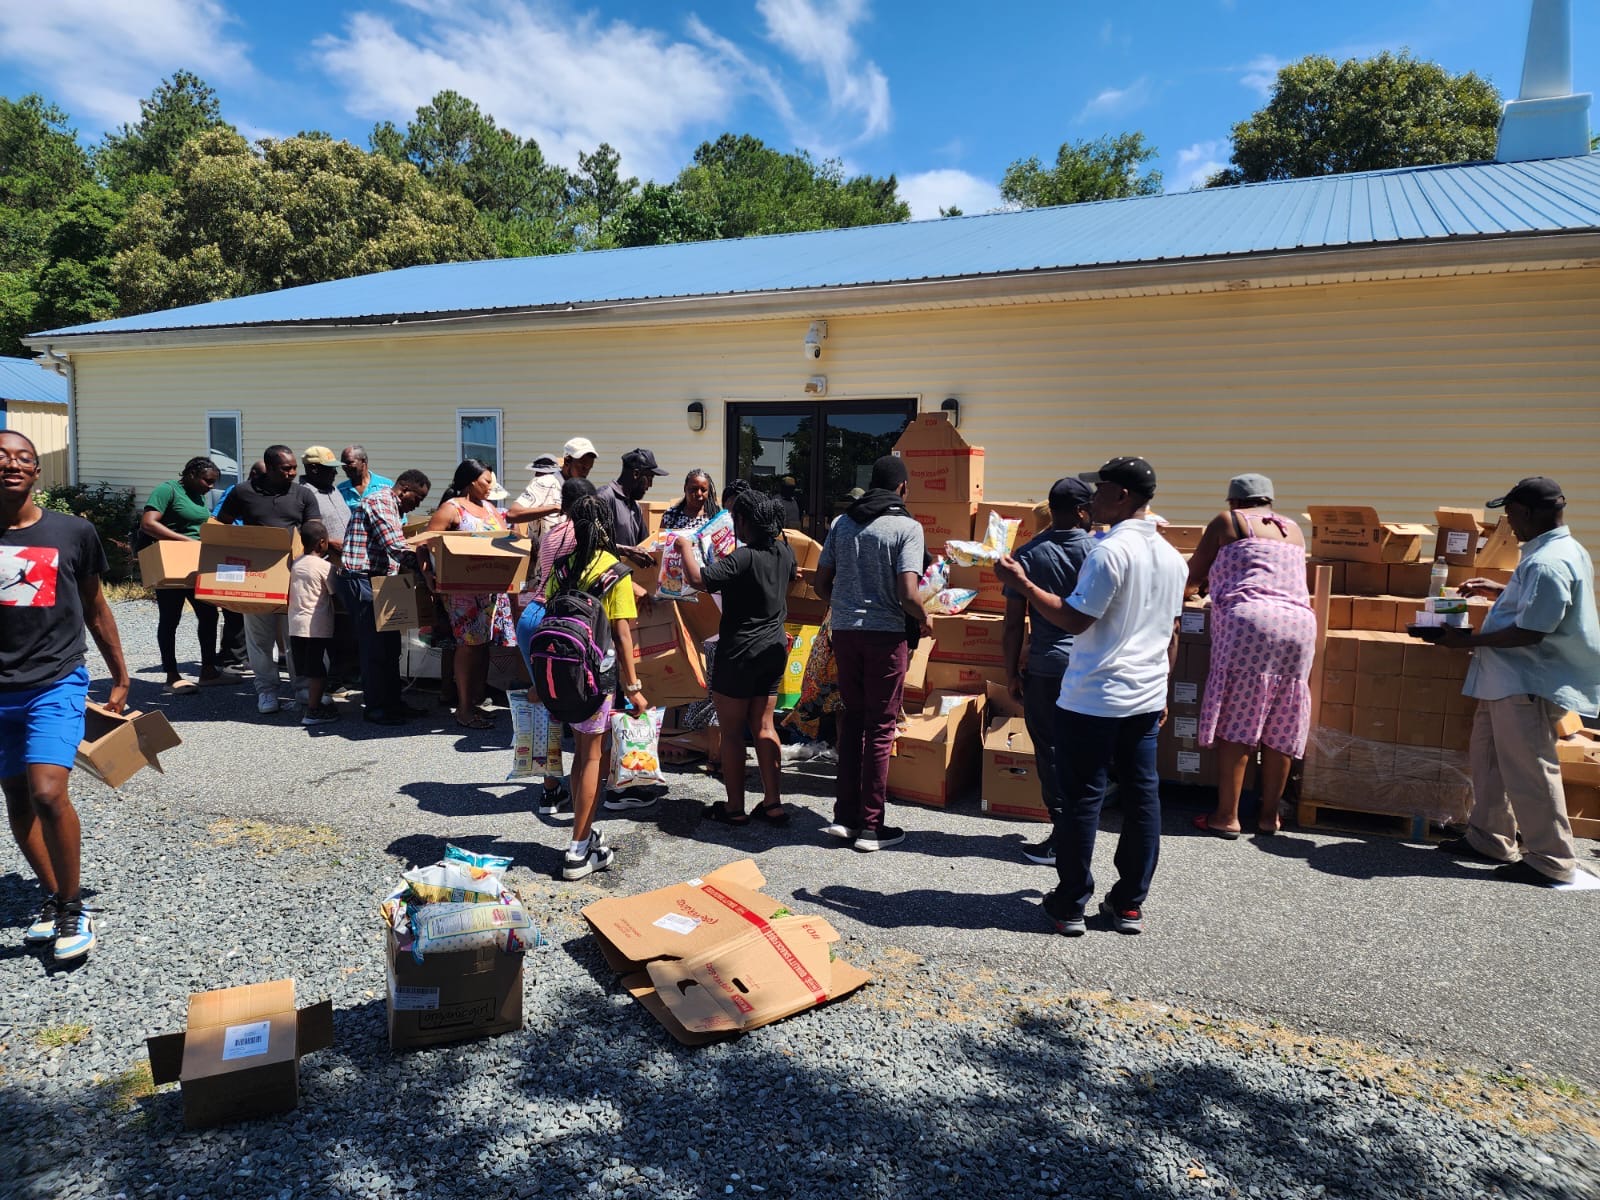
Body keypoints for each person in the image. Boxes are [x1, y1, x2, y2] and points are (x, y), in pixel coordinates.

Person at [995, 457, 1186, 937]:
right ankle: (1127, 905)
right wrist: (1161, 687)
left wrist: (1023, 585)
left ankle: (1070, 902)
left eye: (1100, 489)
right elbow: (1174, 632)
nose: (1093, 498)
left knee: (1083, 798)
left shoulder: (1110, 551)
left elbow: (1076, 620)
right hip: (1144, 697)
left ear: (1121, 495)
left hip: (1094, 696)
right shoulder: (1170, 556)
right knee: (1143, 798)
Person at [0, 430, 130, 962]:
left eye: (23, 458)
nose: (12, 463)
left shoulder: (73, 532)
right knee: (16, 796)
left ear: (36, 473)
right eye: (1, 457)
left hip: (55, 681)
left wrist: (121, 675)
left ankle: (73, 905)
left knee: (49, 792)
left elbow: (96, 605)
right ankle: (54, 900)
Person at [1434, 477, 1600, 887]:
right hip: (1504, 680)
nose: (1508, 523)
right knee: (1489, 760)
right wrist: (1499, 589)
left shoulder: (1548, 561)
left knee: (1530, 770)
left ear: (1528, 512)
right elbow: (1538, 603)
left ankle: (1551, 859)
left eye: (1510, 514)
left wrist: (1466, 641)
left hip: (1525, 680)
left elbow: (1532, 631)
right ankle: (1490, 838)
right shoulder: (1559, 550)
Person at [1184, 474, 1317, 839]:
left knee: (1239, 721)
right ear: (1269, 501)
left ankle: (1226, 817)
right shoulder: (1293, 529)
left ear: (1233, 502)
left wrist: (1184, 596)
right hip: (1300, 627)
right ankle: (1269, 817)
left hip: (1252, 624)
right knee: (1281, 719)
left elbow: (1192, 577)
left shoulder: (1229, 522)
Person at [814, 455, 930, 852]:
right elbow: (908, 592)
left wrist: (845, 607)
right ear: (902, 488)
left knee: (853, 721)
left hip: (845, 633)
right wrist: (926, 618)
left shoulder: (841, 524)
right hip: (885, 636)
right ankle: (871, 827)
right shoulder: (907, 528)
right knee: (881, 728)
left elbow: (820, 584)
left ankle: (844, 819)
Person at [538, 491, 648, 880]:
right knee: (590, 757)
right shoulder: (615, 571)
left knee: (581, 755)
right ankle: (578, 849)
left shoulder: (562, 568)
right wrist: (634, 688)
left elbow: (546, 613)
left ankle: (582, 836)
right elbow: (622, 635)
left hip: (563, 676)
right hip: (595, 678)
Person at [676, 489, 795, 826]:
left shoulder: (745, 558)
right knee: (764, 726)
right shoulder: (784, 551)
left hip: (738, 652)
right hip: (772, 650)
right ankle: (773, 804)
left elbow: (698, 579)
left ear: (743, 521)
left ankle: (734, 808)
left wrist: (685, 546)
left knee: (731, 733)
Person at [1002, 477, 1095, 865]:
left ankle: (1062, 832)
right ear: (1079, 511)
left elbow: (1011, 624)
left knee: (1051, 749)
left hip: (1047, 666)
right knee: (1088, 751)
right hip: (1093, 666)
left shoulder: (1026, 554)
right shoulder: (1100, 551)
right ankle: (1078, 831)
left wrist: (1009, 672)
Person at [517, 477, 601, 817]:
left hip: (532, 617)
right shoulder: (583, 534)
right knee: (582, 704)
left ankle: (550, 789)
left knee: (545, 701)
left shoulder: (552, 532)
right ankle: (589, 780)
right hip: (563, 622)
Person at [218, 445, 319, 715]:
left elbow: (313, 528)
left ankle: (301, 688)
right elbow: (222, 524)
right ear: (270, 467)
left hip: (293, 575)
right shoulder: (244, 492)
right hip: (256, 576)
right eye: (286, 468)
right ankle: (266, 691)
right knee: (260, 639)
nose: (292, 473)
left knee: (296, 635)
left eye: (294, 467)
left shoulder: (303, 494)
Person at [425, 459, 518, 729]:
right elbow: (425, 542)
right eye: (487, 481)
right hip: (462, 591)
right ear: (470, 480)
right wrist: (428, 573)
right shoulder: (451, 508)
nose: (491, 486)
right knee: (467, 646)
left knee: (482, 647)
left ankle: (476, 702)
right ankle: (463, 708)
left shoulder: (489, 509)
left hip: (490, 590)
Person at [337, 469, 432, 726]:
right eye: (418, 498)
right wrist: (429, 568)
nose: (418, 504)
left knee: (390, 648)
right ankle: (376, 708)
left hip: (382, 580)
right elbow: (396, 546)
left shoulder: (393, 507)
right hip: (362, 580)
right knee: (374, 648)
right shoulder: (381, 502)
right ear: (403, 490)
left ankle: (393, 703)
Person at [142, 456, 235, 694]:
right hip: (172, 563)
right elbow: (149, 524)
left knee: (209, 614)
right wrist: (186, 542)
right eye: (207, 481)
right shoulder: (168, 490)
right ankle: (171, 676)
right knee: (170, 619)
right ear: (191, 474)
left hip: (196, 563)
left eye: (213, 482)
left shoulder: (197, 496)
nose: (210, 487)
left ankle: (208, 670)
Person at [212, 460, 265, 674]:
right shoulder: (237, 491)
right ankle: (231, 658)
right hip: (233, 554)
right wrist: (243, 535)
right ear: (253, 474)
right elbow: (219, 518)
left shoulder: (263, 492)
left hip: (253, 555)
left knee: (248, 608)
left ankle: (238, 654)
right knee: (234, 607)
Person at [288, 520, 339, 728]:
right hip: (316, 626)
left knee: (307, 669)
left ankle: (310, 702)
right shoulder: (325, 567)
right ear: (322, 543)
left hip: (295, 624)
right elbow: (335, 592)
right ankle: (313, 711)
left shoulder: (296, 564)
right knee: (318, 671)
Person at [506, 437, 598, 540]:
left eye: (589, 469)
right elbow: (512, 514)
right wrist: (556, 508)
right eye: (582, 467)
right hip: (542, 555)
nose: (585, 473)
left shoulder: (581, 490)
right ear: (567, 461)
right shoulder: (545, 483)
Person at [596, 448, 668, 567]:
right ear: (636, 474)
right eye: (649, 478)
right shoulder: (604, 498)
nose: (650, 485)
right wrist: (626, 551)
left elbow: (645, 544)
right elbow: (593, 542)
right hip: (605, 580)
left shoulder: (635, 506)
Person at [299, 446, 350, 556]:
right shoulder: (302, 495)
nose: (335, 473)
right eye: (330, 469)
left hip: (350, 559)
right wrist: (329, 543)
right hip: (326, 563)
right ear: (314, 468)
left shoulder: (334, 489)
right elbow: (301, 533)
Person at [338, 445, 392, 512]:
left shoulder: (386, 486)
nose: (345, 467)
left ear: (364, 461)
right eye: (343, 464)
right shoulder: (340, 490)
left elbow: (399, 517)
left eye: (349, 463)